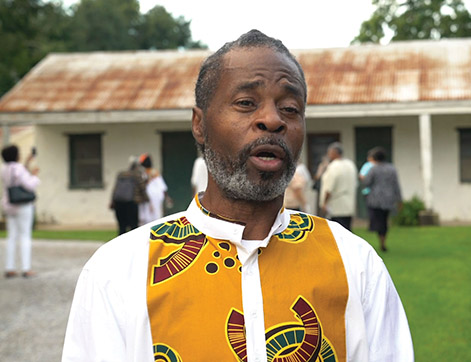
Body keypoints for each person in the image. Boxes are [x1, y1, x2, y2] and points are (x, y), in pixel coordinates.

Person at [63, 30, 413, 362]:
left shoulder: (355, 264)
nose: (272, 120)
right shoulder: (119, 271)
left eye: (290, 109)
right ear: (199, 124)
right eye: (246, 103)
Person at [1, 145, 39, 278]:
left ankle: (9, 267)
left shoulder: (4, 168)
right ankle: (26, 268)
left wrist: (26, 164)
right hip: (23, 205)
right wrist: (34, 176)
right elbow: (29, 184)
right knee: (25, 236)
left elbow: (16, 175)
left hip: (9, 204)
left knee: (11, 236)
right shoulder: (19, 168)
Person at [361, 147, 403, 252]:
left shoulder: (373, 169)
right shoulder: (392, 169)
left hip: (375, 199)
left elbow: (366, 182)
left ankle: (378, 234)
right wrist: (399, 199)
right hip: (388, 199)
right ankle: (383, 240)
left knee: (376, 219)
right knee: (384, 220)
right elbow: (396, 185)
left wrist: (362, 179)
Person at [319, 142, 358, 230]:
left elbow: (329, 187)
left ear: (334, 153)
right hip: (348, 204)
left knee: (337, 231)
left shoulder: (334, 166)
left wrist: (324, 203)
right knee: (347, 230)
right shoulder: (350, 164)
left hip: (336, 206)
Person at [110, 156, 148, 235]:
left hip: (118, 203)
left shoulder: (121, 174)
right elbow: (142, 188)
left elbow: (115, 189)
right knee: (133, 227)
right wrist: (147, 199)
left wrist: (112, 201)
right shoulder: (137, 175)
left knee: (122, 227)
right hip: (131, 203)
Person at [137, 153, 172, 225]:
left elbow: (162, 187)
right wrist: (167, 197)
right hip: (152, 197)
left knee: (147, 218)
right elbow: (163, 187)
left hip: (148, 197)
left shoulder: (144, 174)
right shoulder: (154, 172)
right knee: (154, 218)